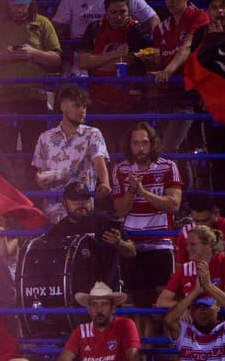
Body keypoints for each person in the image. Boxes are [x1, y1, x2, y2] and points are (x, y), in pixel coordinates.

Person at [0, 0, 61, 154]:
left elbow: (57, 60)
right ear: (7, 3)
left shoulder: (43, 23)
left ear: (30, 2)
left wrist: (34, 53)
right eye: (14, 5)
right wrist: (2, 56)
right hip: (3, 98)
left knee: (35, 152)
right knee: (4, 151)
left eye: (23, 5)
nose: (19, 9)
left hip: (35, 98)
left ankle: (33, 182)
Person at [112, 122, 183, 318]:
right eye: (136, 143)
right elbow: (120, 210)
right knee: (139, 302)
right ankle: (144, 345)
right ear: (129, 145)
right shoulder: (120, 170)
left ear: (152, 144)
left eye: (144, 142)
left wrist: (144, 192)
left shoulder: (169, 167)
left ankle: (166, 344)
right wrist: (133, 191)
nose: (140, 148)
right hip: (132, 244)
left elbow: (173, 205)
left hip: (161, 242)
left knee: (163, 299)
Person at [146, 0, 208, 154]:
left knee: (168, 149)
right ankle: (183, 183)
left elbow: (187, 46)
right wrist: (148, 61)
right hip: (167, 95)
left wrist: (168, 70)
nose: (170, 1)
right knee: (180, 151)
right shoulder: (161, 28)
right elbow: (157, 58)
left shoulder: (199, 16)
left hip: (189, 95)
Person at [30, 87, 111, 221]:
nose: (82, 111)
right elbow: (39, 173)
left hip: (81, 208)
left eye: (84, 106)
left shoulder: (92, 134)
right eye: (77, 106)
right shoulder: (45, 138)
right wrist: (41, 180)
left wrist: (105, 182)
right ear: (63, 106)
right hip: (53, 210)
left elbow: (99, 159)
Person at [77, 0, 155, 121]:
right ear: (106, 12)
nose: (118, 17)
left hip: (128, 102)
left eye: (123, 12)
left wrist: (97, 62)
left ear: (129, 12)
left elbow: (129, 61)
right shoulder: (94, 28)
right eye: (113, 12)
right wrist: (115, 53)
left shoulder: (135, 30)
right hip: (98, 100)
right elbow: (83, 63)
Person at [45, 181, 135, 288]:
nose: (81, 204)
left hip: (106, 289)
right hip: (72, 289)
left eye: (85, 199)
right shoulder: (58, 231)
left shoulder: (106, 221)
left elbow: (132, 252)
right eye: (75, 200)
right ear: (64, 203)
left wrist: (119, 243)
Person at [156, 224, 225, 310]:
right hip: (191, 320)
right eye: (187, 244)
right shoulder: (185, 268)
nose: (188, 248)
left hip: (220, 318)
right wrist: (182, 307)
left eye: (193, 244)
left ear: (208, 244)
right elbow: (161, 301)